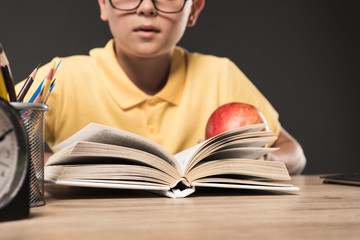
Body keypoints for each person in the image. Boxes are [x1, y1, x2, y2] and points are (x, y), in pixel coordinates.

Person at [16, 0, 306, 174]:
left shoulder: (220, 74)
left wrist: (258, 159)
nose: (146, 8)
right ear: (104, 4)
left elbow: (294, 153)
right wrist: (57, 163)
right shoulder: (63, 76)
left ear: (193, 9)